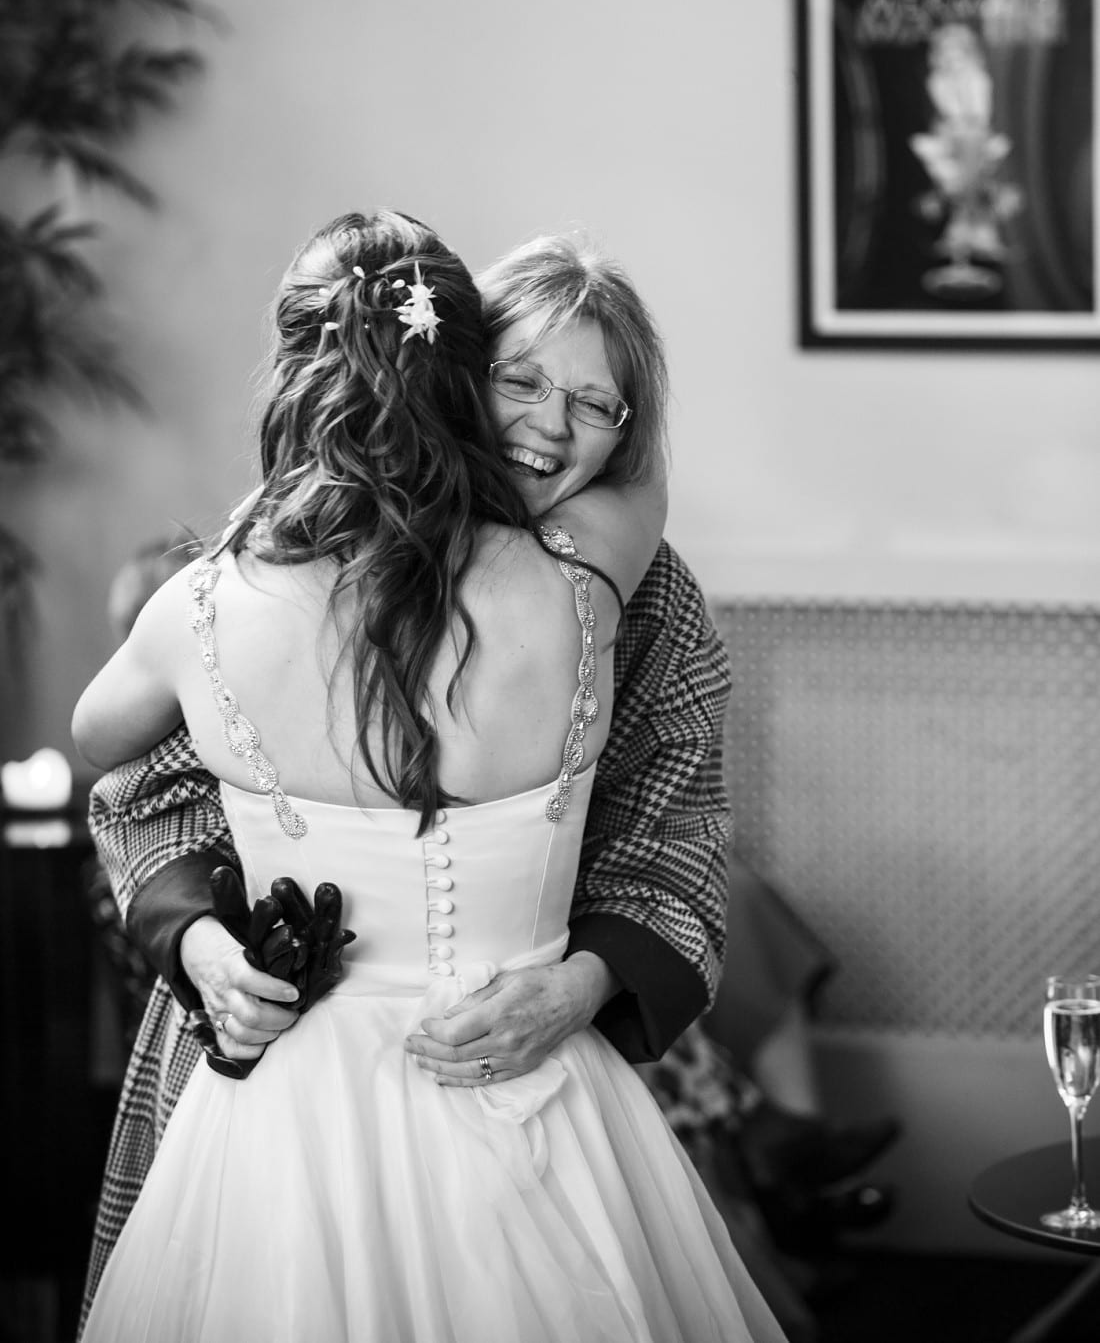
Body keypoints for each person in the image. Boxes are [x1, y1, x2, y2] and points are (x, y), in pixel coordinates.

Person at [74, 209, 787, 1343]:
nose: (553, 428)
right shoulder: (286, 563)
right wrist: (200, 944)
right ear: (452, 377)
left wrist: (586, 984)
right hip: (271, 1074)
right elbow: (147, 792)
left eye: (597, 403)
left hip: (531, 1076)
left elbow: (675, 830)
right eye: (522, 382)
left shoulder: (645, 599)